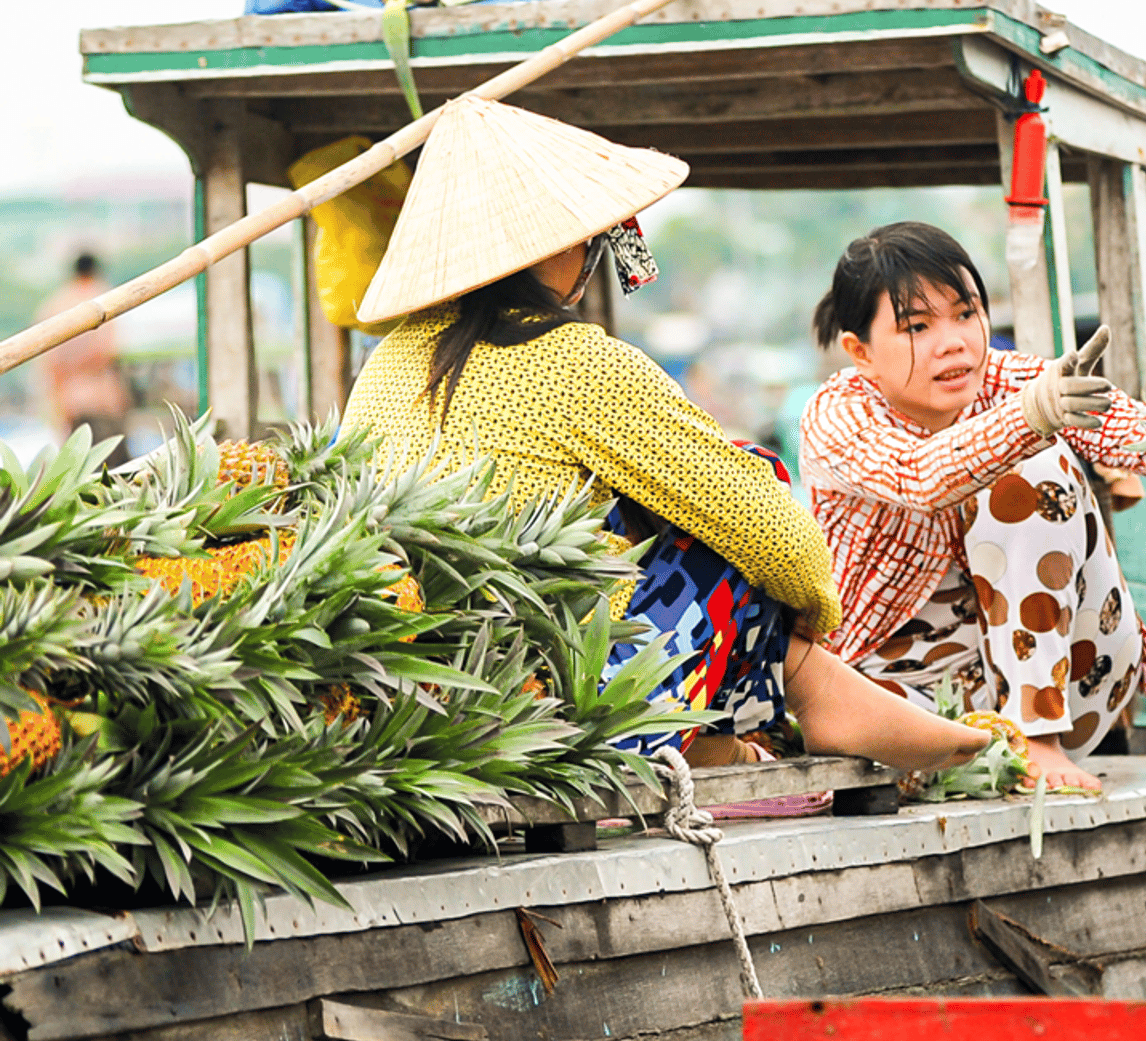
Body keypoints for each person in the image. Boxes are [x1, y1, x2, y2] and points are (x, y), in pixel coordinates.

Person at [340, 96, 986, 776]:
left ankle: (750, 722)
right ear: (561, 243)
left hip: (411, 691)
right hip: (551, 702)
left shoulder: (386, 363)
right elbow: (773, 532)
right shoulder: (576, 361)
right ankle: (818, 696)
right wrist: (813, 618)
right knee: (743, 488)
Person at [801, 222, 1146, 791]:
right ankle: (982, 747)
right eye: (917, 327)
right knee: (1015, 457)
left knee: (1035, 470)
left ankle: (1040, 740)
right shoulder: (836, 417)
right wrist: (1030, 418)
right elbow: (923, 476)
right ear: (861, 352)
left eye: (966, 314)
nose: (954, 343)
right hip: (907, 696)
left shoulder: (1017, 379)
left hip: (1077, 684)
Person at [35, 253, 131, 466]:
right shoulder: (102, 298)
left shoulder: (55, 304)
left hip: (70, 400)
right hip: (101, 399)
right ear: (94, 271)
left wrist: (58, 406)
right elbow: (107, 352)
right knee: (114, 473)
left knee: (79, 474)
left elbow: (50, 365)